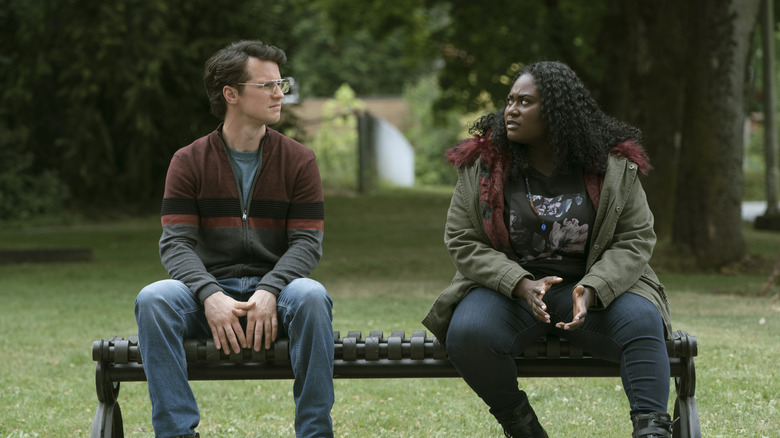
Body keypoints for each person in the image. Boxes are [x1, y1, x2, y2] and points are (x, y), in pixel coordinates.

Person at [422, 61, 674, 438]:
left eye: (525, 102)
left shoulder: (612, 166)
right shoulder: (483, 167)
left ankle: (652, 429)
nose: (511, 110)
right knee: (469, 332)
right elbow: (463, 239)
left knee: (642, 321)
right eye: (510, 101)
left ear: (555, 112)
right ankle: (520, 425)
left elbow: (635, 238)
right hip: (509, 293)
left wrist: (592, 289)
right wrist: (520, 284)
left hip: (593, 291)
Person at [134, 40, 334, 438]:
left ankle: (315, 433)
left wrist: (271, 289)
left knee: (312, 295)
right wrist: (209, 295)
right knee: (154, 299)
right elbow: (176, 243)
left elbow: (307, 243)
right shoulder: (188, 161)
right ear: (232, 94)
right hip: (206, 293)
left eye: (282, 84)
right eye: (268, 86)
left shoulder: (299, 160)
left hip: (280, 294)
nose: (280, 94)